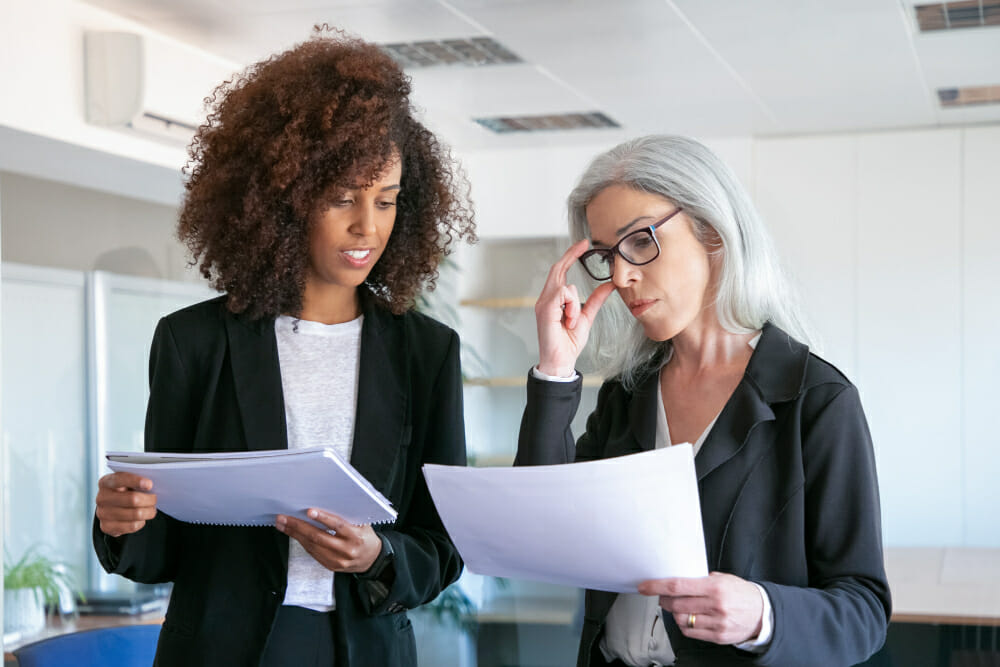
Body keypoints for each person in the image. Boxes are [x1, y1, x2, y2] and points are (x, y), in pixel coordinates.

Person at [93, 29, 475, 667]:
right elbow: (163, 550)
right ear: (285, 199)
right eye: (341, 199)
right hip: (223, 650)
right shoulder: (194, 342)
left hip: (365, 648)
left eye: (386, 201)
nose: (368, 226)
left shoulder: (426, 352)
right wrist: (122, 519)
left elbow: (444, 545)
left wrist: (378, 555)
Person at [517, 135, 890, 666]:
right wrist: (555, 370)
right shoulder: (627, 395)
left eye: (639, 242)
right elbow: (541, 529)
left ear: (711, 232)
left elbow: (864, 611)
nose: (621, 276)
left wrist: (763, 614)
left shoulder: (817, 400)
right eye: (605, 255)